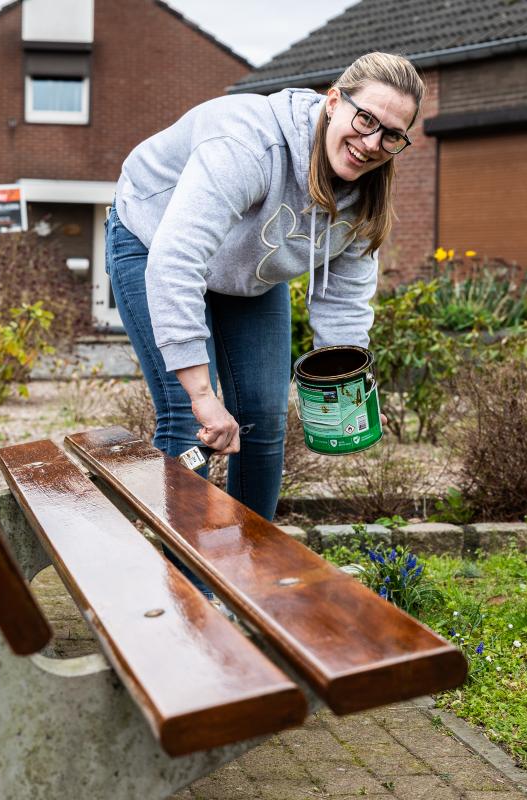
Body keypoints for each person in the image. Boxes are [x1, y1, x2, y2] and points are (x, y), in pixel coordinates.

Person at [105, 51, 424, 594]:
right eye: (365, 120)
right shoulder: (249, 144)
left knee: (264, 418)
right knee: (192, 423)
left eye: (392, 135)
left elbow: (344, 301)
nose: (372, 143)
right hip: (152, 241)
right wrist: (206, 396)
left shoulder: (365, 193)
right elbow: (175, 264)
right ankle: (182, 598)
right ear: (333, 101)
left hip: (248, 271)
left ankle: (249, 585)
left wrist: (349, 394)